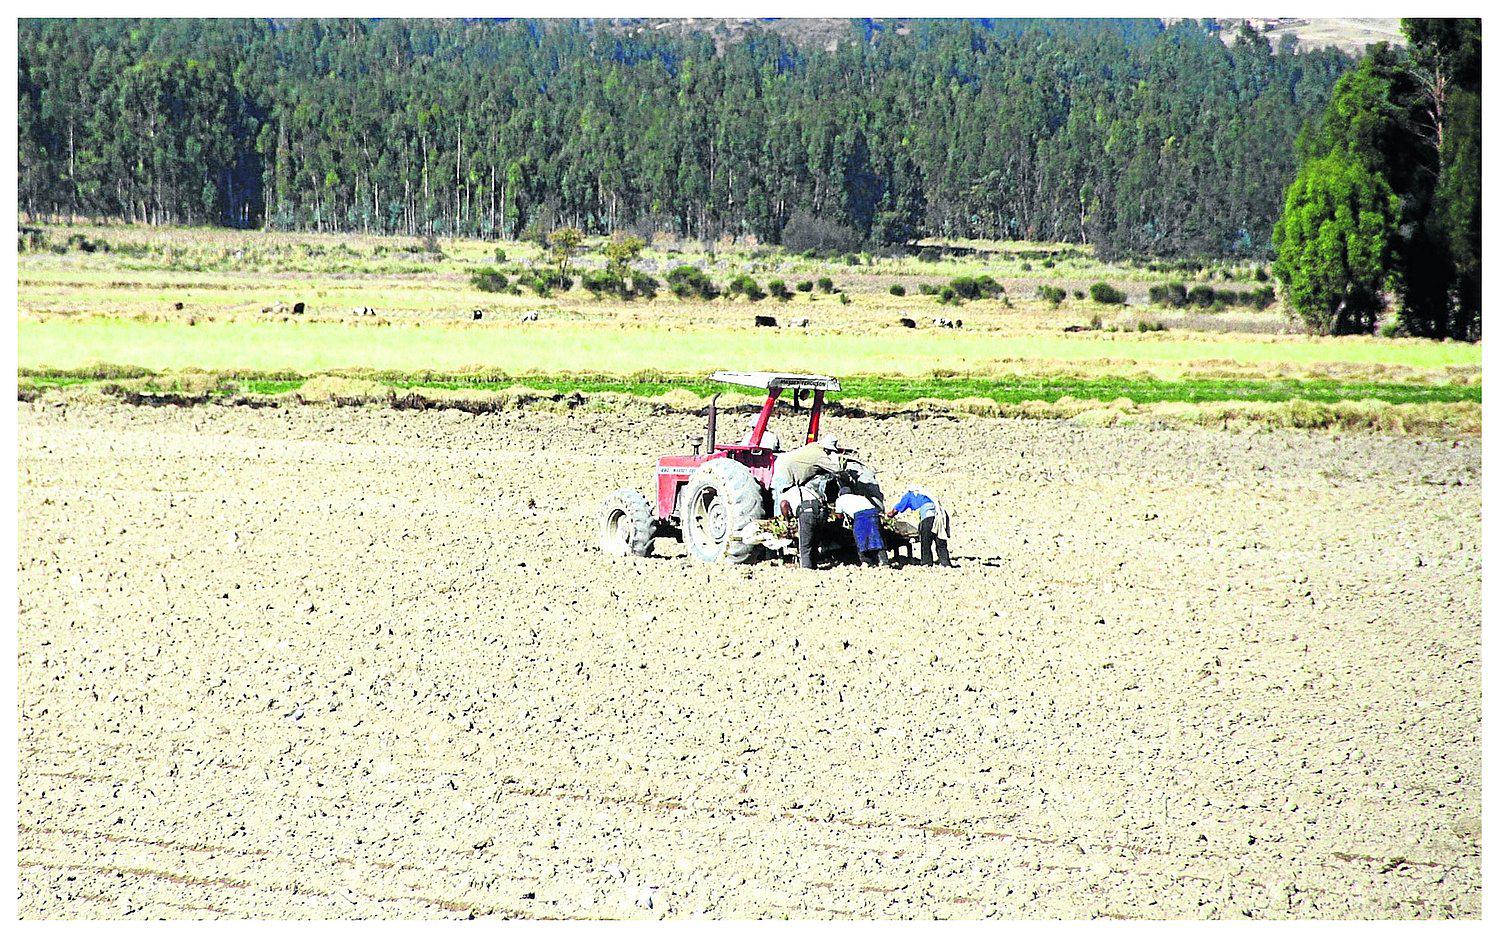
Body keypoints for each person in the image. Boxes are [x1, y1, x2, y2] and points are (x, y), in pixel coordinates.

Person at [779, 474, 834, 569]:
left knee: (805, 545)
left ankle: (807, 569)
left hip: (806, 513)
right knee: (815, 542)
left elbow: (784, 505)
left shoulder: (786, 493)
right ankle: (814, 565)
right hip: (821, 512)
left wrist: (787, 519)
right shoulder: (807, 489)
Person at [771, 436, 845, 505]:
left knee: (781, 501)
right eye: (830, 451)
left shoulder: (813, 446)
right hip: (786, 476)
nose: (830, 453)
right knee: (784, 502)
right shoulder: (820, 455)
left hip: (780, 469)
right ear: (826, 448)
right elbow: (837, 469)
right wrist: (839, 461)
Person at [888, 489, 953, 567]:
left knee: (926, 542)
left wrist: (888, 515)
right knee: (940, 541)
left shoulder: (909, 495)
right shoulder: (926, 495)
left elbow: (896, 510)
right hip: (941, 515)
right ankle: (945, 563)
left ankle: (927, 564)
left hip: (928, 516)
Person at [835, 484, 889, 567]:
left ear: (840, 494)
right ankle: (884, 561)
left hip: (860, 516)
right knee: (876, 537)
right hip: (873, 513)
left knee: (861, 539)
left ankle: (866, 562)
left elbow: (839, 515)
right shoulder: (859, 497)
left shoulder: (840, 500)